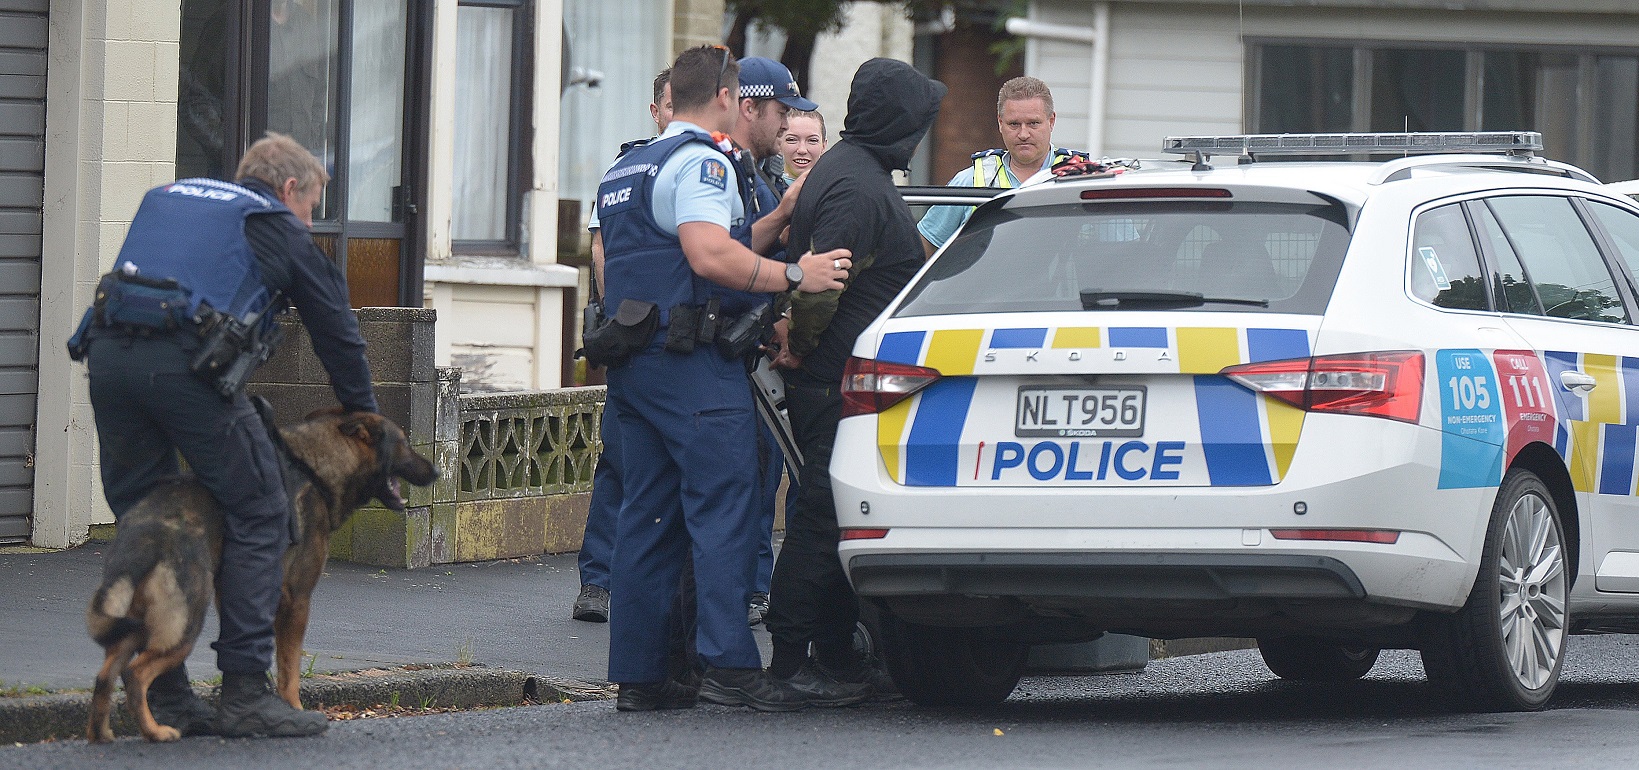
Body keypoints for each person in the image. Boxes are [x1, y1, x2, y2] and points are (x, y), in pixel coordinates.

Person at [73, 133, 377, 738]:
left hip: (108, 358)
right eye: (312, 206)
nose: (309, 221)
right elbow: (336, 327)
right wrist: (363, 415)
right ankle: (244, 690)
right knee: (263, 508)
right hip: (184, 367)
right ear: (290, 189)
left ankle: (167, 693)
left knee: (149, 514)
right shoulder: (272, 222)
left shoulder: (172, 198)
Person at [594, 45, 858, 713]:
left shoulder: (630, 164)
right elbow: (709, 255)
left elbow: (673, 252)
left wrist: (774, 219)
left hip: (637, 367)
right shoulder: (704, 163)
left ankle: (643, 676)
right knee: (724, 515)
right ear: (721, 99)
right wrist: (798, 274)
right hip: (693, 371)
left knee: (648, 521)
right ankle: (729, 666)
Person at [766, 58, 946, 702]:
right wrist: (803, 346)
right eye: (918, 119)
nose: (922, 133)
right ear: (897, 120)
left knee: (839, 517)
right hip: (835, 381)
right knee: (820, 519)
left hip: (839, 376)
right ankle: (788, 663)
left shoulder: (852, 171)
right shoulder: (856, 187)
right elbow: (823, 285)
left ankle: (835, 658)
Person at [572, 68, 674, 624]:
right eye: (667, 105)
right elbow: (601, 251)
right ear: (654, 110)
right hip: (635, 335)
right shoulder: (626, 168)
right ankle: (598, 582)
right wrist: (623, 321)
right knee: (618, 460)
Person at [730, 56, 816, 625]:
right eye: (787, 128)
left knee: (779, 479)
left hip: (779, 346)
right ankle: (750, 598)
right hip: (745, 352)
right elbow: (728, 254)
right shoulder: (742, 178)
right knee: (748, 484)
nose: (798, 143)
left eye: (811, 136)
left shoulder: (758, 179)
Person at [917, 76, 1084, 256]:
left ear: (1051, 121)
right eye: (1014, 124)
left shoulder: (1082, 177)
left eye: (1033, 123)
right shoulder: (970, 181)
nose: (1023, 134)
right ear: (1000, 123)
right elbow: (926, 245)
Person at [780, 109, 828, 185]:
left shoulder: (836, 190)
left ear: (823, 146)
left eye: (812, 140)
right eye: (792, 139)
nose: (802, 150)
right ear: (779, 143)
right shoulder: (761, 191)